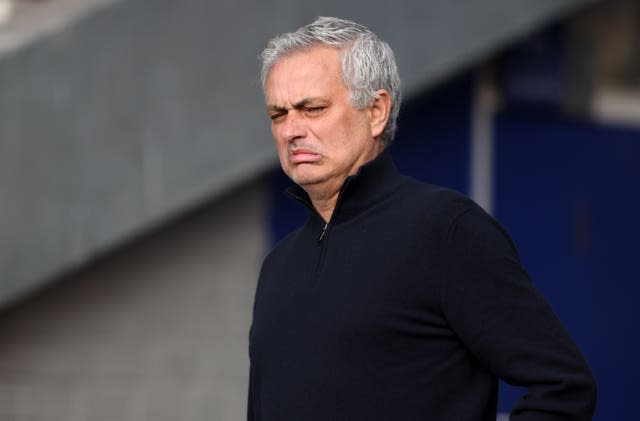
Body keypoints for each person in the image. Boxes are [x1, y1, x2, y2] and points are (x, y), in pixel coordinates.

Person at [248, 16, 597, 421]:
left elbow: (564, 387)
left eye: (313, 108)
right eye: (278, 114)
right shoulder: (278, 265)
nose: (291, 129)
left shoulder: (445, 232)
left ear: (376, 111)